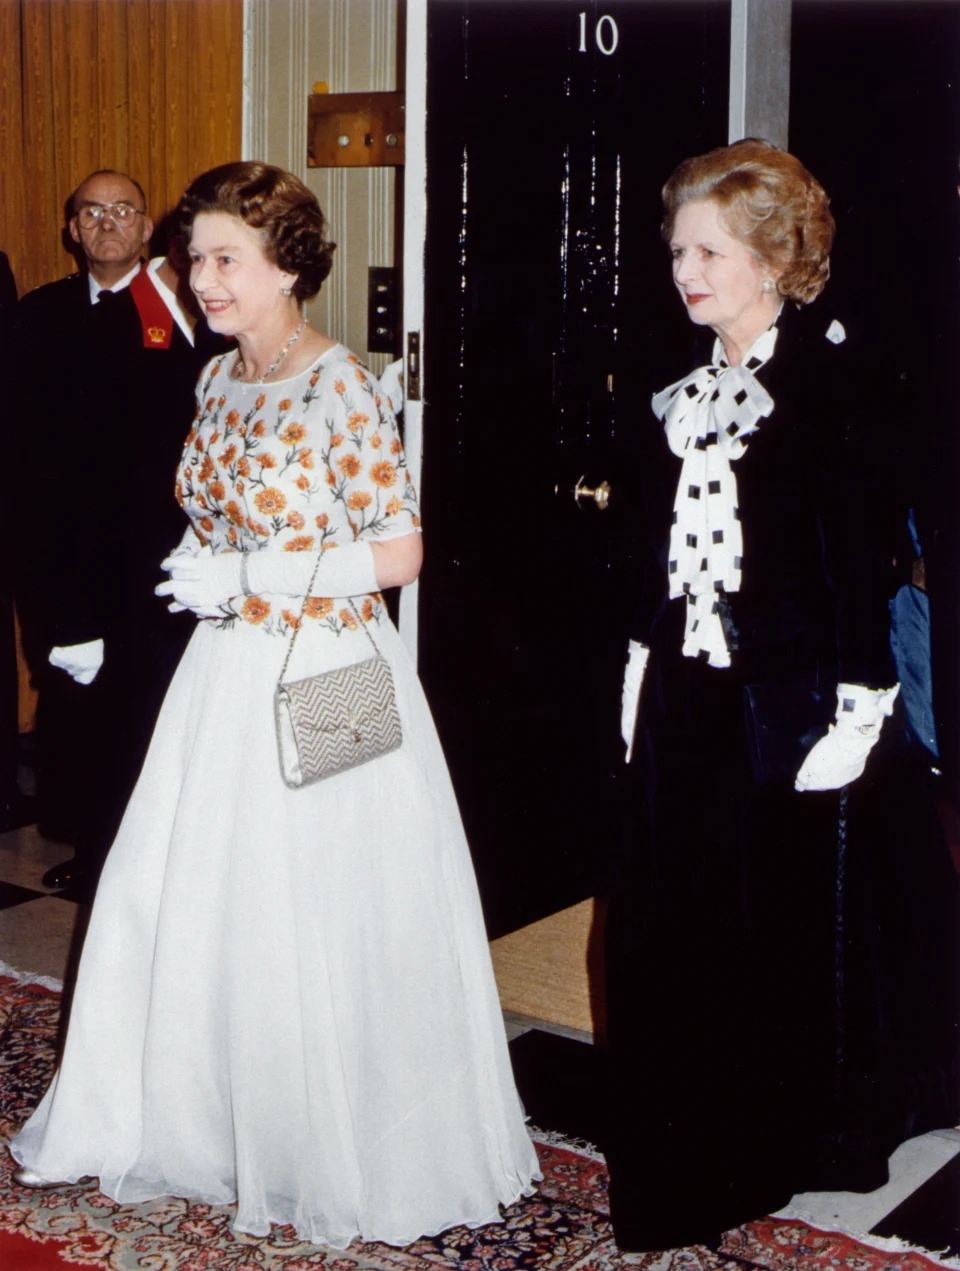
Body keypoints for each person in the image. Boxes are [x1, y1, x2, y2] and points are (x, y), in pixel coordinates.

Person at [9, 161, 539, 1246]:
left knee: (328, 911)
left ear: (288, 264)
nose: (201, 278)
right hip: (224, 672)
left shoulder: (337, 380)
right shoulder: (217, 379)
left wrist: (256, 577)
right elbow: (219, 514)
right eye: (193, 257)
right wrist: (206, 566)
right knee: (202, 903)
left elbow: (400, 552)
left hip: (332, 669)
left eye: (224, 259)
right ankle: (208, 1123)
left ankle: (335, 1143)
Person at [604, 139, 959, 1252]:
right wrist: (636, 660)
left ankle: (796, 1132)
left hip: (800, 700)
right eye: (677, 250)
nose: (685, 269)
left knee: (800, 926)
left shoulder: (833, 385)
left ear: (773, 254)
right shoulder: (684, 385)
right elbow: (651, 549)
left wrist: (860, 706)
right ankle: (696, 1128)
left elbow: (859, 557)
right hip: (689, 688)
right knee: (665, 915)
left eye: (708, 249)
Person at [13, 170, 226, 894]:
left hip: (148, 554)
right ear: (72, 230)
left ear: (146, 229)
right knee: (75, 714)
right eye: (91, 212)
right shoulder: (40, 313)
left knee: (141, 714)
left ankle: (131, 860)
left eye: (122, 210)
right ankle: (98, 846)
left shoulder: (184, 313)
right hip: (63, 549)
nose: (106, 223)